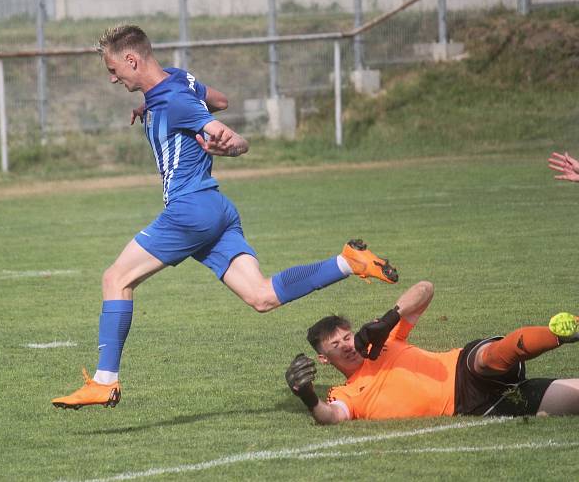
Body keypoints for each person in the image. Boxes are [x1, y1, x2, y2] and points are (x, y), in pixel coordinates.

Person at [51, 24, 399, 409]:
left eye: (114, 69)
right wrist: (152, 108)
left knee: (116, 278)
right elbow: (220, 99)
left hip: (190, 211)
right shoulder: (177, 81)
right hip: (216, 209)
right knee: (261, 296)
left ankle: (105, 381)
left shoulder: (173, 101)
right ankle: (348, 262)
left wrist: (227, 144)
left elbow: (226, 132)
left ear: (132, 60)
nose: (112, 77)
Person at [285, 280, 579, 424]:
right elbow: (330, 416)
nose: (347, 346)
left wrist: (389, 319)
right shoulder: (344, 393)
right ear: (323, 358)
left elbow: (425, 289)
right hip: (476, 406)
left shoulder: (382, 339)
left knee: (489, 357)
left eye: (347, 337)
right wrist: (308, 395)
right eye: (336, 345)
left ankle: (561, 333)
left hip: (464, 368)